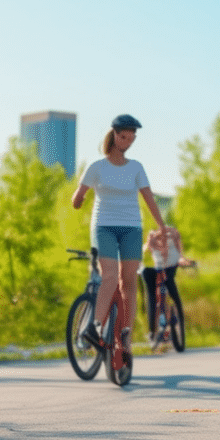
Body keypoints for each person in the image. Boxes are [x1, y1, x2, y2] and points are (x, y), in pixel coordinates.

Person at [71, 114, 167, 351]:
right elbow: (78, 196)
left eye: (132, 138)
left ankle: (125, 334)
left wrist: (162, 226)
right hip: (103, 226)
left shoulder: (136, 168)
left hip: (132, 228)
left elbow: (149, 198)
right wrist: (78, 198)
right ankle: (94, 327)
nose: (128, 142)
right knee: (110, 276)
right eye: (125, 137)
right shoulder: (97, 167)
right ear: (115, 135)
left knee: (129, 280)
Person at [141, 225, 193, 343]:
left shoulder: (172, 235)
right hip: (157, 270)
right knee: (155, 296)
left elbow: (180, 253)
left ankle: (175, 325)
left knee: (170, 290)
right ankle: (154, 330)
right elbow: (144, 251)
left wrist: (185, 261)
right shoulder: (153, 239)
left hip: (170, 269)